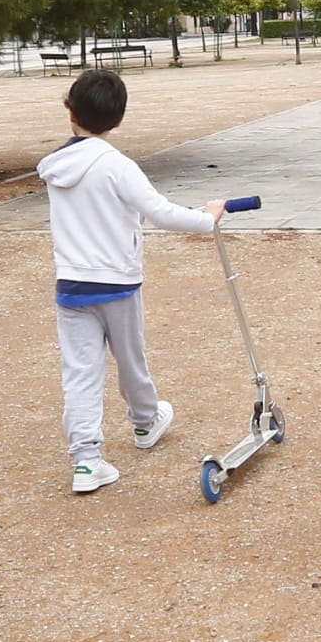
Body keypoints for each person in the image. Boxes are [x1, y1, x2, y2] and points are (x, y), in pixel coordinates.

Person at [37, 69, 227, 494]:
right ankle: (145, 422)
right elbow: (159, 211)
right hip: (117, 283)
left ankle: (86, 460)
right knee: (130, 359)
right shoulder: (117, 165)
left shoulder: (56, 167)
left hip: (72, 284)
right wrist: (207, 217)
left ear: (70, 111)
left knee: (80, 373)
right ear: (119, 120)